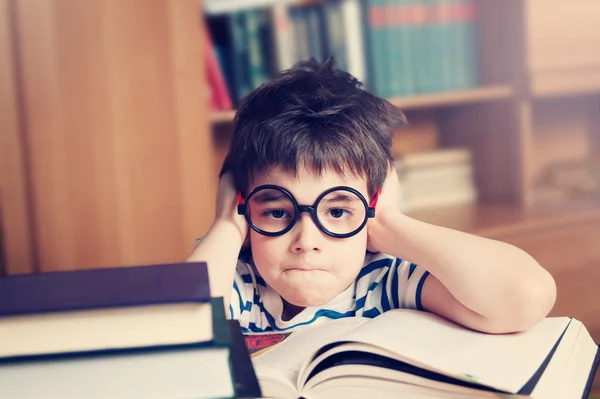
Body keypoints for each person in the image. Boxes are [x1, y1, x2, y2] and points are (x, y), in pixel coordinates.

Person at [187, 57, 556, 334]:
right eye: (277, 213)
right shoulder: (233, 275)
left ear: (372, 205)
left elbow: (525, 297)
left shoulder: (382, 279)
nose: (306, 242)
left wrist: (390, 223)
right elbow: (178, 332)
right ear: (241, 205)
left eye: (337, 212)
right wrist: (225, 227)